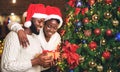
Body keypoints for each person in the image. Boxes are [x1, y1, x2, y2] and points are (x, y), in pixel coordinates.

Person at [1, 4, 54, 72]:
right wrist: (35, 61)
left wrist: (45, 64)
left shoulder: (36, 39)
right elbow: (5, 67)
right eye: (39, 21)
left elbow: (35, 68)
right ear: (29, 20)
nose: (41, 25)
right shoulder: (14, 36)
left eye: (43, 22)